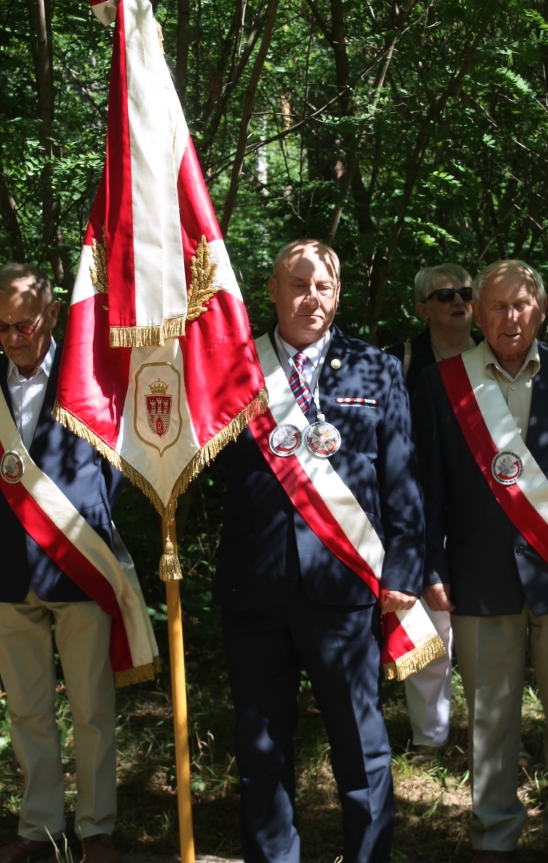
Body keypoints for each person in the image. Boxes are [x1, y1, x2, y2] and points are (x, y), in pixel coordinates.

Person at [213, 239, 425, 863]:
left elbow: (402, 477)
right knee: (260, 748)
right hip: (254, 587)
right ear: (273, 291)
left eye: (323, 286)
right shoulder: (232, 367)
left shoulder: (375, 368)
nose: (311, 298)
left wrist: (404, 569)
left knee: (361, 746)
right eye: (298, 284)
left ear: (338, 295)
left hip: (344, 587)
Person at [415, 259, 548, 863]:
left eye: (521, 304)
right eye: (497, 306)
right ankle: (494, 835)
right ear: (477, 314)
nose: (510, 317)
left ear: (540, 309)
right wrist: (431, 566)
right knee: (490, 720)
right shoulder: (442, 383)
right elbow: (427, 489)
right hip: (479, 576)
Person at [0, 264, 138, 863]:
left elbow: (121, 459)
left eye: (24, 324)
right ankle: (38, 828)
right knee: (27, 708)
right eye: (2, 327)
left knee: (92, 707)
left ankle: (96, 828)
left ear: (52, 315)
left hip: (78, 564)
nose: (13, 337)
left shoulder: (87, 375)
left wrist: (90, 514)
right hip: (7, 569)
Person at [387, 263, 479, 758]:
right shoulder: (399, 364)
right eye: (445, 295)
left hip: (485, 518)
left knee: (491, 638)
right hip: (420, 512)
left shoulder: (495, 357)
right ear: (423, 309)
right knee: (430, 628)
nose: (459, 301)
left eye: (465, 292)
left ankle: (497, 737)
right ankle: (430, 739)